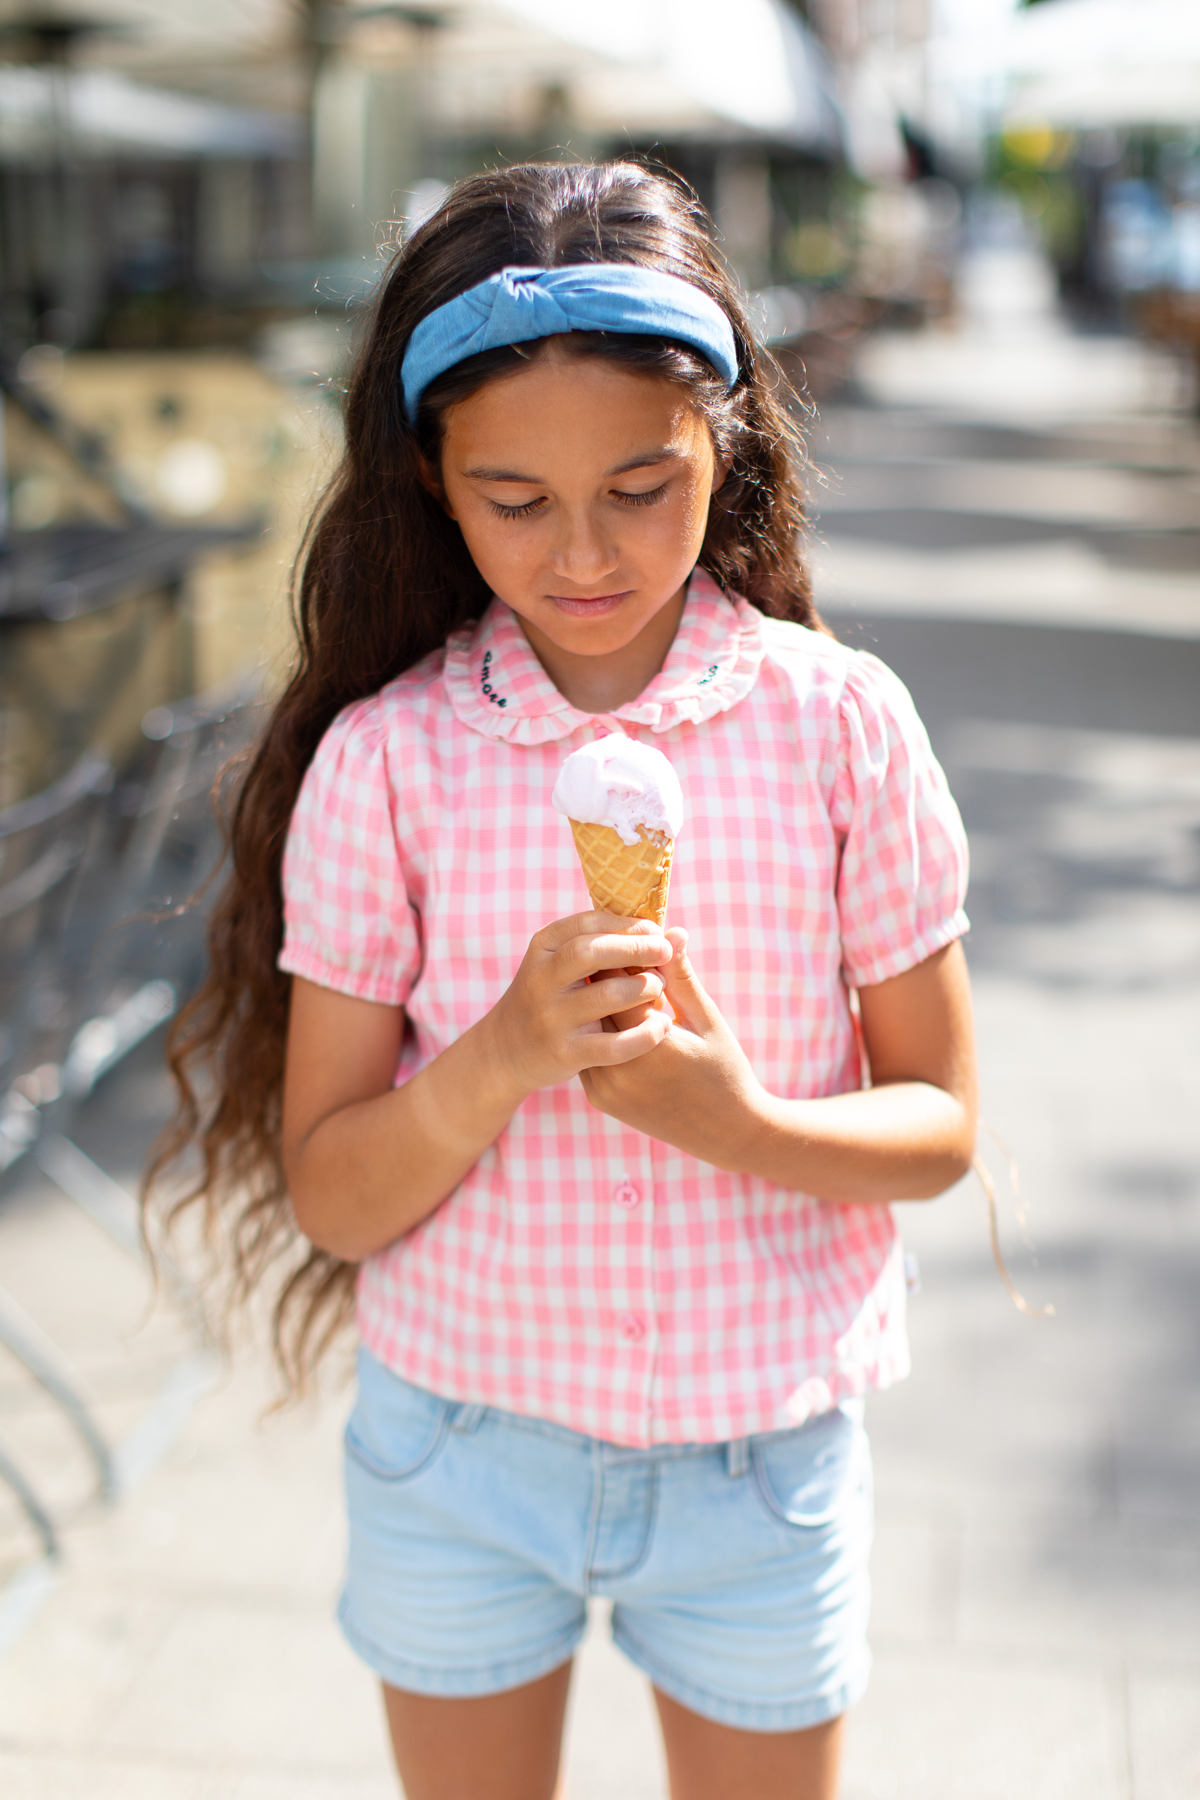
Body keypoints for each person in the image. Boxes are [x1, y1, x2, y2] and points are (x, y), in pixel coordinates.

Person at [155, 160, 976, 1800]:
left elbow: (943, 1126)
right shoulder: (387, 765)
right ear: (432, 484)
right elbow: (332, 1192)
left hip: (762, 1454)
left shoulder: (842, 728)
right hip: (463, 1446)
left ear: (726, 442)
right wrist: (498, 1055)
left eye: (642, 486)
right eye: (516, 500)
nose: (586, 553)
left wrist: (737, 1119)